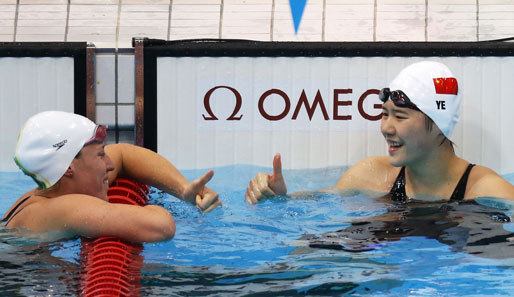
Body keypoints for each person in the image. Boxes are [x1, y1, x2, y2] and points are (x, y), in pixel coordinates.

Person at [245, 61, 514, 203]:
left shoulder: (487, 190)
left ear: (439, 124)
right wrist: (278, 199)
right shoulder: (371, 174)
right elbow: (317, 201)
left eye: (399, 115)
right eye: (384, 114)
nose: (386, 128)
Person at [2, 111, 221, 242]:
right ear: (68, 167)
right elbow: (160, 226)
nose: (110, 164)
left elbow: (125, 153)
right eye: (100, 155)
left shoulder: (53, 191)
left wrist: (184, 190)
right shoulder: (60, 208)